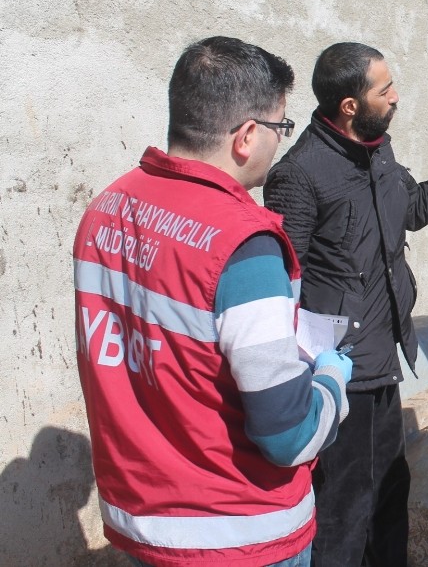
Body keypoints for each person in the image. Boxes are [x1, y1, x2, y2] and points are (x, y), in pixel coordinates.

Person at [73, 36, 354, 567]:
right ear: (247, 136)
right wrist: (331, 382)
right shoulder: (244, 245)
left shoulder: (104, 210)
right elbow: (288, 436)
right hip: (240, 536)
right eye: (281, 128)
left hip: (140, 528)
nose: (281, 142)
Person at [263, 42, 428, 566]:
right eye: (384, 88)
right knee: (347, 511)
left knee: (389, 495)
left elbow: (411, 209)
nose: (396, 97)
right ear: (350, 105)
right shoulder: (299, 175)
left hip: (383, 360)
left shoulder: (377, 151)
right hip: (339, 374)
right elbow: (283, 284)